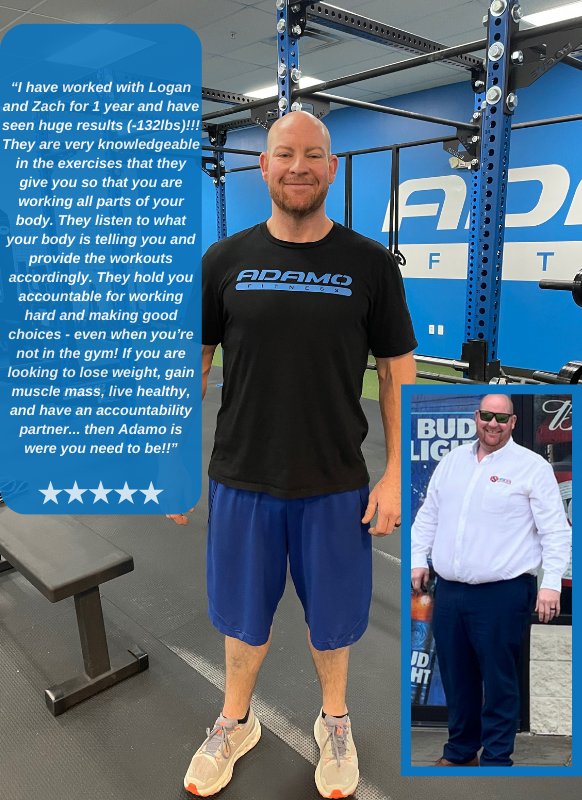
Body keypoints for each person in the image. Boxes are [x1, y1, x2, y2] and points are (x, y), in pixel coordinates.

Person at [168, 110, 417, 797]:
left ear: (332, 167)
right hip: (242, 478)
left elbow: (398, 370)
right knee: (242, 622)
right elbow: (194, 362)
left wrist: (398, 473)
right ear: (264, 166)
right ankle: (234, 720)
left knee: (332, 623)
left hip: (336, 482)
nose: (298, 165)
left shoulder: (369, 264)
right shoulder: (224, 261)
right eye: (285, 154)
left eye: (313, 154)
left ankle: (333, 720)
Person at [411, 394, 571, 768]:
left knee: (499, 681)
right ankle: (460, 751)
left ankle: (497, 758)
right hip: (449, 592)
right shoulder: (452, 462)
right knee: (457, 677)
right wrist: (419, 559)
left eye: (501, 417)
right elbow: (428, 517)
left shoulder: (531, 467)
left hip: (503, 593)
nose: (493, 423)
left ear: (513, 422)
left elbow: (555, 533)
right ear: (476, 417)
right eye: (487, 416)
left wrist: (549, 584)